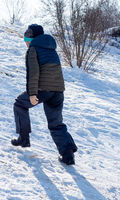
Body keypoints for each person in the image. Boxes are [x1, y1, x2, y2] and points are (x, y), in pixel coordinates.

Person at [11, 24, 78, 165]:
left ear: (31, 37)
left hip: (43, 90)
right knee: (56, 123)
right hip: (58, 91)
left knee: (19, 104)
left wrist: (32, 93)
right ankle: (67, 155)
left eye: (26, 38)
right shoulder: (51, 49)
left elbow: (33, 73)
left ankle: (24, 139)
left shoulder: (33, 49)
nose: (25, 42)